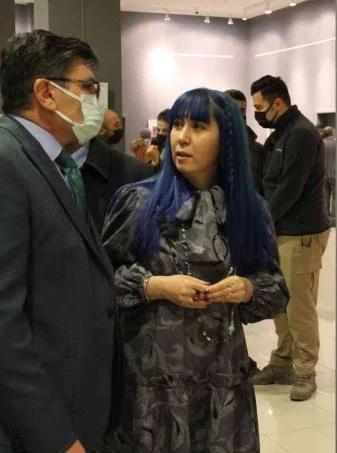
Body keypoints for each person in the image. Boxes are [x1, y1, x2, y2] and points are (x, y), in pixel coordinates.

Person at [0, 30, 116, 453]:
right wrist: (57, 438)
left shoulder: (50, 163)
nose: (95, 101)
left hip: (63, 403)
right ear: (46, 93)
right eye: (87, 88)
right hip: (16, 430)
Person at [102, 88, 288, 452]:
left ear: (227, 139)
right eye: (177, 125)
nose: (181, 137)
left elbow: (276, 289)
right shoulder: (139, 202)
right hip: (152, 384)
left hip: (222, 381)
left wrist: (247, 289)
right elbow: (99, 281)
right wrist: (155, 286)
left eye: (199, 127)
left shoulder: (248, 209)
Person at [249, 75, 330, 402]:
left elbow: (290, 189)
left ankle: (304, 370)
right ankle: (283, 361)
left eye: (259, 107)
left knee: (299, 305)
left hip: (301, 232)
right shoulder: (279, 134)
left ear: (278, 103)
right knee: (279, 301)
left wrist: (261, 221)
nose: (257, 113)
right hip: (279, 230)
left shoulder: (302, 134)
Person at [71, 122, 155, 232]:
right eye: (116, 125)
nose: (119, 129)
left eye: (119, 125)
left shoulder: (137, 173)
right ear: (102, 130)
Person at [226, 88, 264, 193]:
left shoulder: (259, 151)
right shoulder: (211, 149)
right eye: (234, 110)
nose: (239, 115)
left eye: (242, 110)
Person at [322, 127, 336, 227]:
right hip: (334, 174)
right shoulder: (336, 144)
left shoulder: (321, 144)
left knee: (325, 196)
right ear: (332, 133)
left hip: (323, 174)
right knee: (335, 197)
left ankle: (326, 218)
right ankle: (334, 219)